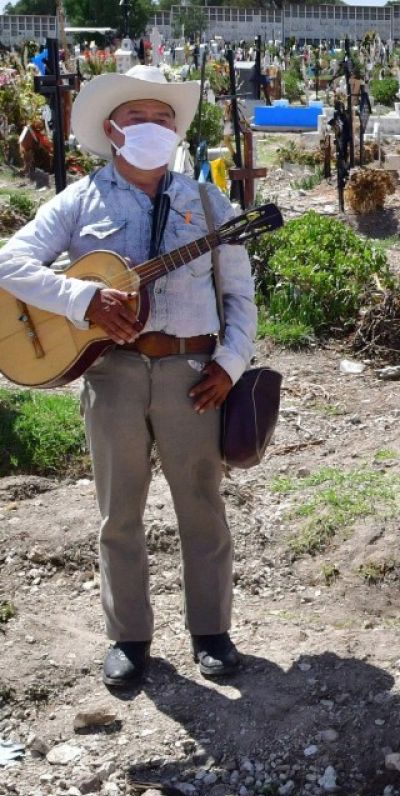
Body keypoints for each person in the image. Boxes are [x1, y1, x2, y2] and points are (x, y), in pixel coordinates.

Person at [0, 66, 256, 688]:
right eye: (140, 118)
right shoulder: (80, 200)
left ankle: (211, 632)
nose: (154, 128)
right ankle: (129, 638)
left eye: (164, 119)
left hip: (191, 372)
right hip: (110, 373)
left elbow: (241, 296)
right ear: (112, 130)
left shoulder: (206, 201)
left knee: (202, 506)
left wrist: (228, 364)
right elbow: (10, 262)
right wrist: (79, 301)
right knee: (118, 514)